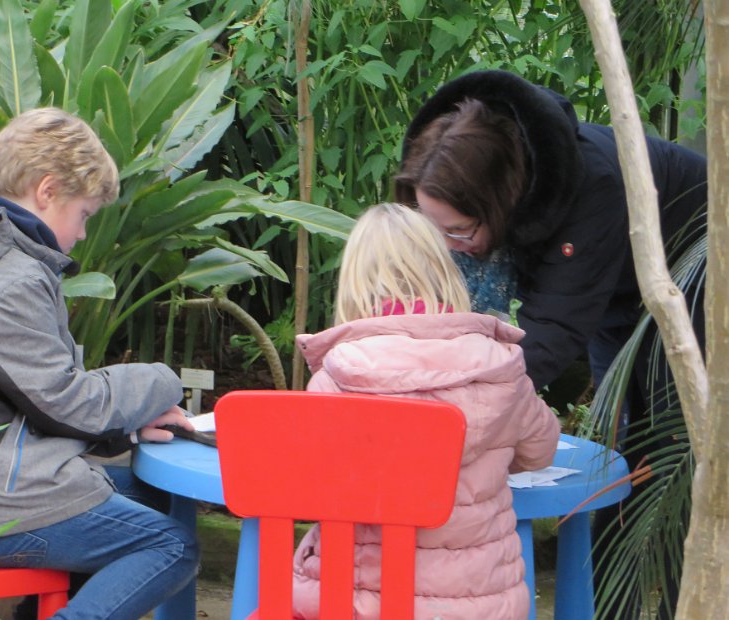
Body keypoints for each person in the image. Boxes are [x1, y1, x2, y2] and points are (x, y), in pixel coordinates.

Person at [395, 69, 707, 619]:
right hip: (619, 295)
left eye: (460, 233)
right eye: (432, 227)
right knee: (617, 454)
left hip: (697, 289)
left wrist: (453, 410)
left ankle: (685, 605)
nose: (449, 248)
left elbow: (547, 339)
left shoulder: (592, 185)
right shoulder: (510, 180)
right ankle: (613, 608)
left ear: (500, 201)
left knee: (673, 454)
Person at [0, 108, 199, 620]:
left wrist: (125, 427)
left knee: (152, 497)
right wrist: (160, 380)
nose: (83, 233)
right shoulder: (11, 279)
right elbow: (66, 403)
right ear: (47, 192)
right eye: (83, 214)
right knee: (171, 546)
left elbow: (24, 396)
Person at [291, 202, 560, 620]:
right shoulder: (501, 367)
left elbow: (307, 486)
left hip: (356, 604)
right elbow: (540, 451)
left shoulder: (338, 377)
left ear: (353, 284)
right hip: (481, 607)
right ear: (445, 270)